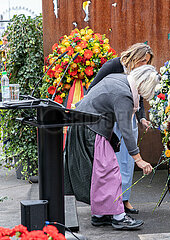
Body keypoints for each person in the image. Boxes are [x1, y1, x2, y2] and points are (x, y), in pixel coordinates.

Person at [64, 65, 160, 229]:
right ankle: (119, 217)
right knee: (110, 173)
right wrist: (139, 160)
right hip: (91, 128)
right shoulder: (124, 95)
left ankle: (100, 215)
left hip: (84, 125)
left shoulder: (119, 79)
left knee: (102, 173)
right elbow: (126, 130)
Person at [87, 43, 153, 214]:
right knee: (111, 163)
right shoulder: (113, 65)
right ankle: (111, 202)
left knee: (127, 162)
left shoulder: (139, 74)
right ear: (134, 57)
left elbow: (139, 95)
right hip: (111, 119)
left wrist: (142, 117)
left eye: (147, 62)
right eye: (143, 61)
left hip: (128, 117)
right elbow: (93, 88)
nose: (144, 65)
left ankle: (124, 199)